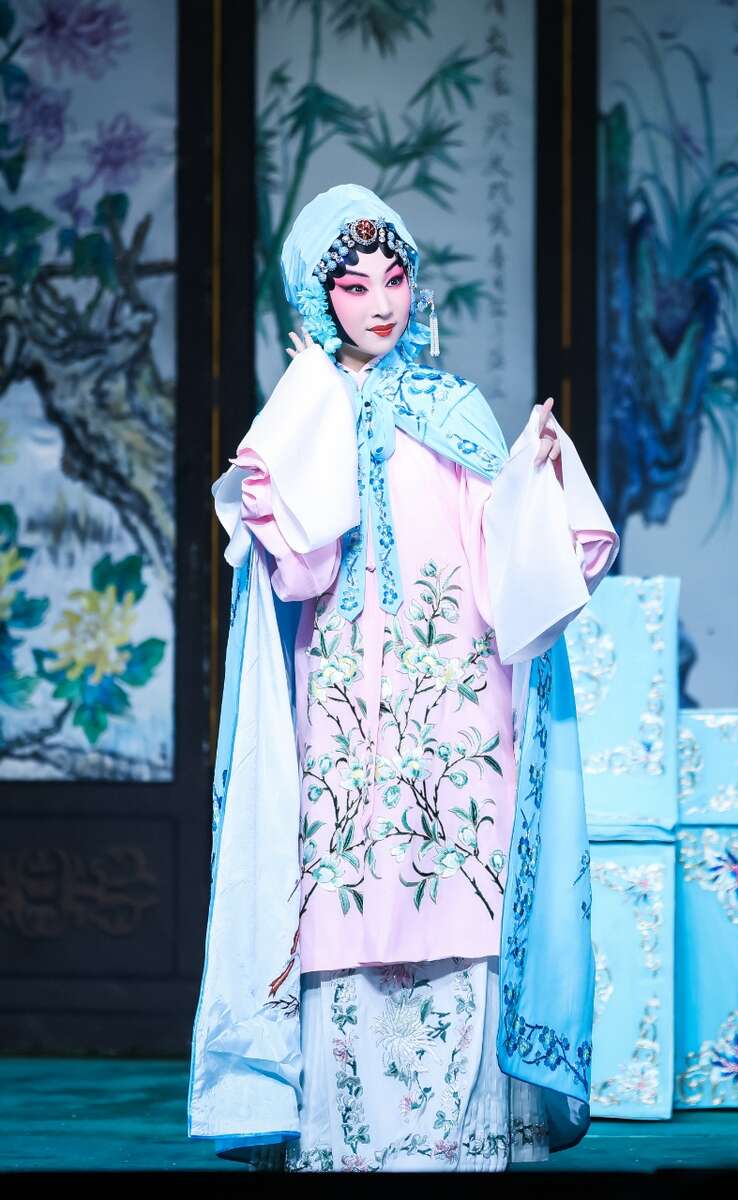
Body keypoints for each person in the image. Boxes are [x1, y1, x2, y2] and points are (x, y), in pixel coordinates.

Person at [187, 184, 619, 1173]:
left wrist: (535, 477)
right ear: (318, 297)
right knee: (347, 900)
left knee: (458, 896)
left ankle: (460, 1135)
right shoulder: (305, 409)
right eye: (353, 286)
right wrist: (282, 462)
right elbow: (302, 574)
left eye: (394, 279)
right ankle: (347, 1137)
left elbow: (506, 567)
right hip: (344, 701)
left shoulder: (449, 407)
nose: (381, 303)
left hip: (455, 700)